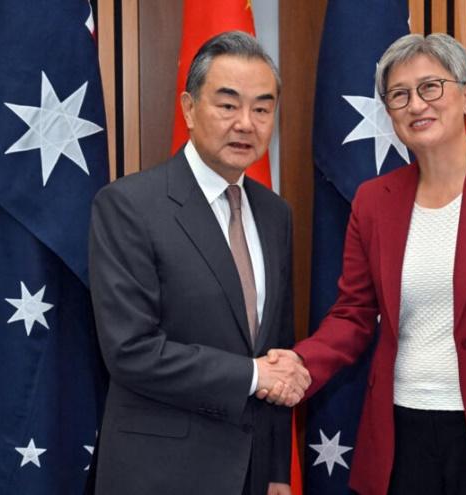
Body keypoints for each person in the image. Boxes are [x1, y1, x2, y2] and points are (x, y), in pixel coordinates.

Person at [263, 33, 466, 494]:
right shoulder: (373, 202)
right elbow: (353, 316)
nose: (416, 105)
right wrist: (302, 361)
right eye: (399, 95)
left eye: (430, 87)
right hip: (402, 433)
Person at [88, 31, 309, 495]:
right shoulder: (129, 205)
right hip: (160, 474)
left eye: (262, 109)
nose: (246, 123)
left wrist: (275, 474)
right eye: (228, 105)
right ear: (189, 109)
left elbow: (276, 347)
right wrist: (253, 376)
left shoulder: (275, 214)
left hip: (250, 475)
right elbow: (131, 351)